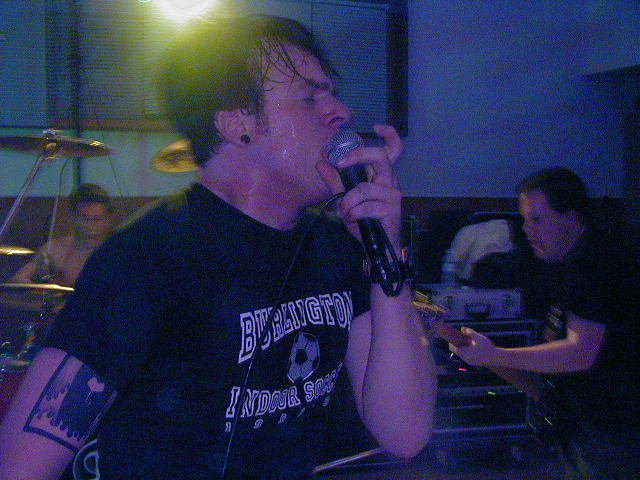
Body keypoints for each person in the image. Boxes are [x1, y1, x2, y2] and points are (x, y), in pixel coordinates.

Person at [0, 15, 436, 480]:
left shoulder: (337, 248)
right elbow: (21, 465)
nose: (342, 112)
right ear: (236, 123)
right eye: (310, 97)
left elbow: (405, 433)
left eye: (332, 94)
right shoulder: (147, 257)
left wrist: (383, 248)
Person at [448, 167, 640, 479]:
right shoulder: (575, 261)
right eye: (525, 220)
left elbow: (580, 353)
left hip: (613, 429)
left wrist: (495, 354)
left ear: (571, 217)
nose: (526, 230)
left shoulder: (593, 265)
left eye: (537, 219)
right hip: (594, 425)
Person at [11, 183, 114, 287]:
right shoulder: (55, 249)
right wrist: (43, 291)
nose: (91, 225)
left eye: (97, 219)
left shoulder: (118, 251)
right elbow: (19, 279)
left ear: (108, 219)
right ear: (74, 217)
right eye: (84, 219)